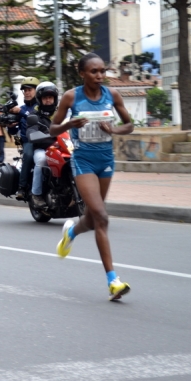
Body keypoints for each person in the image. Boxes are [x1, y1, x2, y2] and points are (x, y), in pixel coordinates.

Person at [52, 53, 134, 301]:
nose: (100, 76)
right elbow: (52, 128)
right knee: (101, 216)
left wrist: (114, 129)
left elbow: (129, 124)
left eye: (103, 71)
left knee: (91, 218)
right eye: (94, 71)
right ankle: (113, 281)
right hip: (83, 161)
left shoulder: (113, 95)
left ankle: (72, 233)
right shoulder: (71, 96)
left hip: (106, 161)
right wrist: (69, 125)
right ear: (82, 74)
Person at [28, 82, 59, 210]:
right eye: (45, 97)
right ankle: (36, 194)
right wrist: (51, 139)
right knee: (41, 160)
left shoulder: (61, 114)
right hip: (42, 149)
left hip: (62, 148)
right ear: (40, 99)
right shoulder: (34, 116)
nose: (48, 100)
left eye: (50, 97)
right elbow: (31, 134)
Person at [8, 77, 40, 200]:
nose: (27, 92)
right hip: (28, 141)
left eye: (30, 89)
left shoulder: (41, 107)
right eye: (24, 90)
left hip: (45, 140)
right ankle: (21, 187)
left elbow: (35, 118)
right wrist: (10, 126)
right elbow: (14, 130)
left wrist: (20, 112)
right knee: (28, 155)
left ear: (37, 91)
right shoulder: (21, 108)